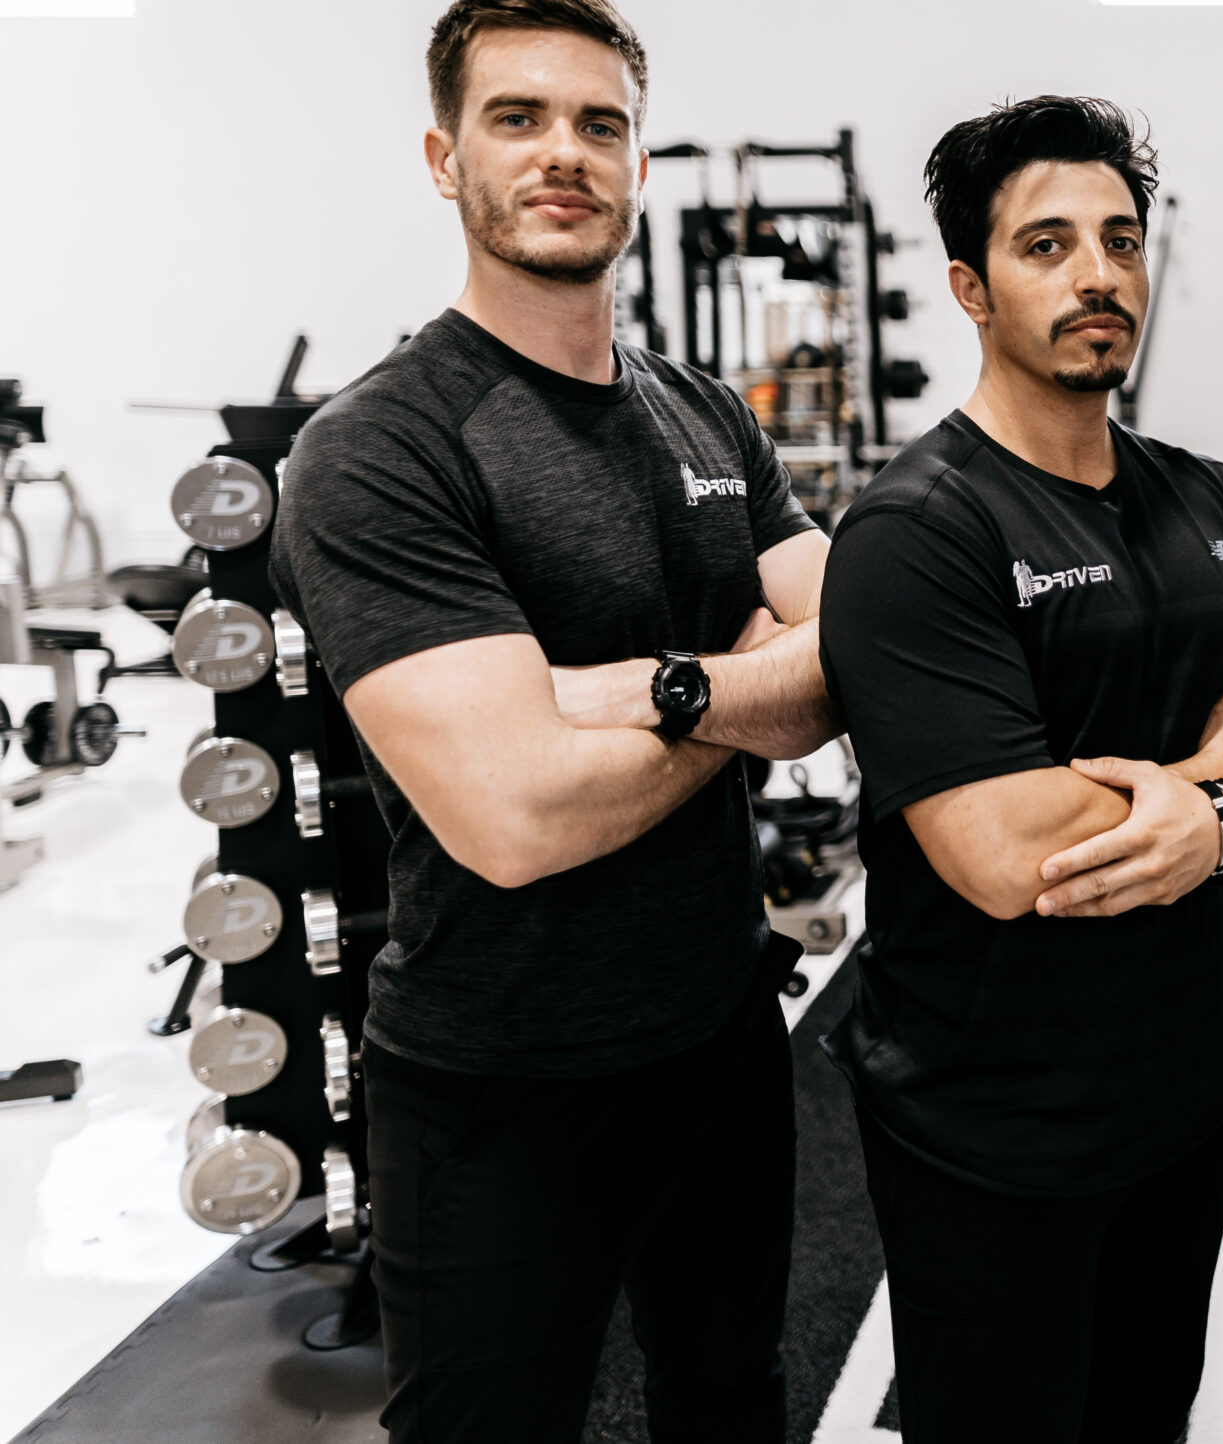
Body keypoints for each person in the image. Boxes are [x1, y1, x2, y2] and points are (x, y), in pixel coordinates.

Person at [268, 2, 837, 1438]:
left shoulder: (709, 416)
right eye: (516, 118)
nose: (563, 153)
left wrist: (618, 693)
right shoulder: (379, 447)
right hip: (497, 1078)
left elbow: (853, 649)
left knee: (730, 1397)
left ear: (640, 163)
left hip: (719, 1033)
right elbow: (514, 818)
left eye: (600, 124)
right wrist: (736, 682)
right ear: (443, 158)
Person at [817, 96, 1223, 1442]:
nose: (1097, 274)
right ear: (971, 286)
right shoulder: (916, 532)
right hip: (985, 1125)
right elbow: (1007, 853)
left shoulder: (1208, 499)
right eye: (1047, 244)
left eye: (1120, 241)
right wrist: (1219, 756)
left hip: (1177, 1092)